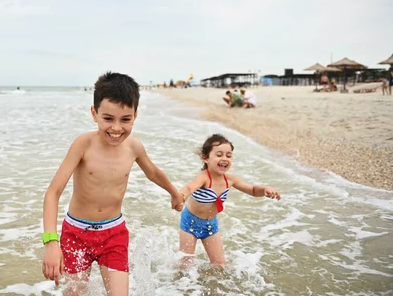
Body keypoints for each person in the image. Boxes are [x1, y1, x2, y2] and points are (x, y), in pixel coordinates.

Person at [42, 71, 184, 295]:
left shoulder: (134, 147)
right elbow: (53, 192)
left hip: (113, 234)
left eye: (125, 119)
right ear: (94, 113)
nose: (116, 128)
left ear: (135, 115)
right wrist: (51, 242)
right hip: (76, 234)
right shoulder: (83, 144)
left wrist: (174, 193)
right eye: (108, 118)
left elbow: (153, 173)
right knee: (74, 293)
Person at [178, 134, 280, 268]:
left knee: (219, 264)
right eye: (219, 155)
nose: (224, 158)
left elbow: (253, 190)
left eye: (228, 155)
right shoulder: (204, 177)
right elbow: (189, 188)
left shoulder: (230, 180)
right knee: (185, 265)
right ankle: (178, 283)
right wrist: (180, 198)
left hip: (210, 225)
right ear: (205, 158)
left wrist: (265, 189)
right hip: (190, 223)